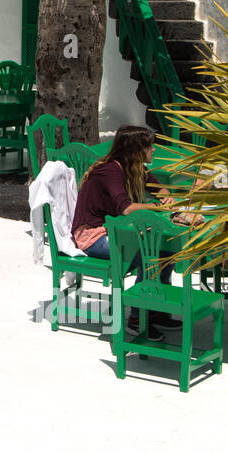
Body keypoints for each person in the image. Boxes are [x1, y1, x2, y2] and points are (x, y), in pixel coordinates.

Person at [70, 124, 178, 340]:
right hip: (93, 235)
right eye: (150, 147)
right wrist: (160, 207)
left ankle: (155, 310)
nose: (153, 150)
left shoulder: (136, 167)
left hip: (115, 230)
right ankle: (137, 317)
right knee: (147, 254)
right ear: (136, 149)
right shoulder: (110, 171)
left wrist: (165, 197)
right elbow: (126, 208)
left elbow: (159, 189)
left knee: (167, 251)